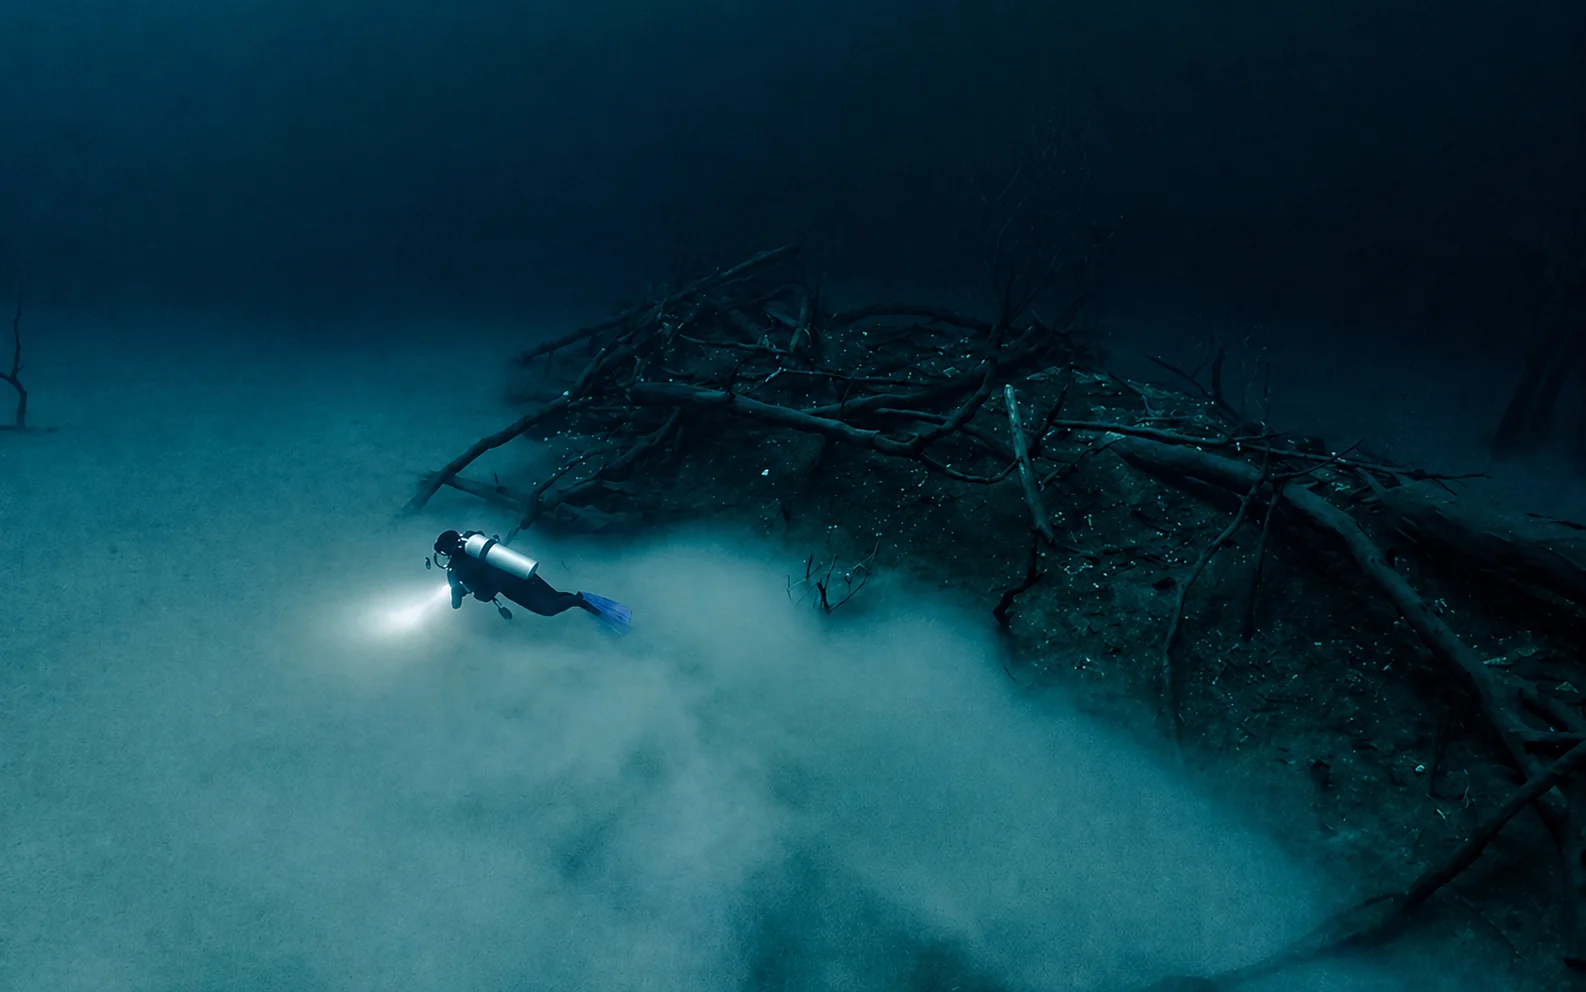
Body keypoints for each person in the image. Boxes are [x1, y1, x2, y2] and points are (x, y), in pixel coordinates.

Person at [432, 529, 631, 632]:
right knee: (555, 597)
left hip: (516, 589)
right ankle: (601, 612)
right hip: (523, 572)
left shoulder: (459, 566)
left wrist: (459, 591)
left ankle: (583, 599)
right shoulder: (474, 544)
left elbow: (483, 595)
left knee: (549, 609)